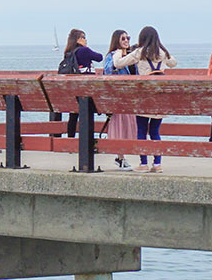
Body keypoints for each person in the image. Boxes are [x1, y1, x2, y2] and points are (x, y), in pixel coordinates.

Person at [111, 26, 177, 171]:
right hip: (160, 97)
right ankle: (157, 163)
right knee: (155, 131)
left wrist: (117, 53)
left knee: (141, 130)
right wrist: (166, 55)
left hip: (144, 96)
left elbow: (118, 63)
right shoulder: (162, 52)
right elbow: (173, 63)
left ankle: (143, 163)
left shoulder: (139, 52)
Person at [100, 29, 138, 169]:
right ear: (117, 40)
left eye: (128, 38)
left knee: (129, 127)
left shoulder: (130, 57)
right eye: (123, 38)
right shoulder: (112, 56)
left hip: (129, 97)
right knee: (120, 127)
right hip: (117, 98)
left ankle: (122, 157)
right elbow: (109, 70)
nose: (127, 40)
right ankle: (120, 158)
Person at [56, 29, 103, 137]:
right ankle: (86, 142)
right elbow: (99, 57)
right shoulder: (84, 51)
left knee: (73, 115)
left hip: (73, 88)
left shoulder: (69, 52)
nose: (86, 40)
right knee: (86, 115)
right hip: (85, 88)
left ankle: (70, 140)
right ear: (79, 39)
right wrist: (86, 48)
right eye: (84, 37)